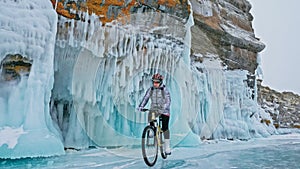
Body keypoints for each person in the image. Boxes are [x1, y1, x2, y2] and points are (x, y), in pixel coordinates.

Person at [138, 73, 171, 155]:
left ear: (160, 82)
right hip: (154, 109)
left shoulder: (165, 90)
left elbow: (168, 101)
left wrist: (163, 108)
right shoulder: (151, 90)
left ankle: (167, 147)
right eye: (154, 82)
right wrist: (141, 106)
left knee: (165, 128)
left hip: (164, 111)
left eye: (157, 82)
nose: (155, 84)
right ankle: (152, 129)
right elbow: (145, 98)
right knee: (150, 115)